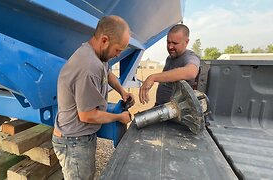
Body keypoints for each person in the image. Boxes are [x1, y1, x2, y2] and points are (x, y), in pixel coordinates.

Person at [52, 15, 135, 180]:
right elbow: (87, 115)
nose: (118, 55)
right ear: (104, 40)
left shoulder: (97, 54)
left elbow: (107, 72)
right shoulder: (88, 67)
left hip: (78, 137)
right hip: (74, 142)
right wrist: (119, 117)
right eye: (118, 50)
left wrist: (122, 91)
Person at [139, 24, 200, 106]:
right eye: (168, 42)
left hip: (176, 115)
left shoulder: (190, 57)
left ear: (186, 42)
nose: (170, 47)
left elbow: (191, 72)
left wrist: (153, 77)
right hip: (161, 108)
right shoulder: (170, 58)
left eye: (175, 43)